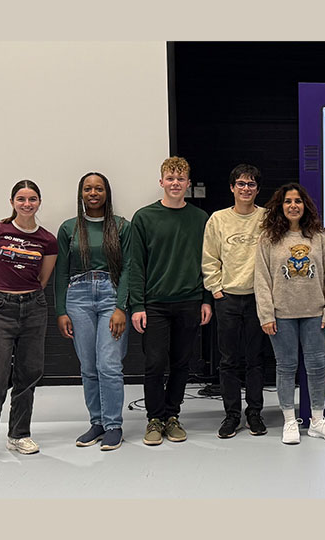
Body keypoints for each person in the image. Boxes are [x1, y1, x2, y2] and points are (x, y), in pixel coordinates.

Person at [0, 180, 58, 467]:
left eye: (32, 199)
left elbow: (42, 279)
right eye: (21, 199)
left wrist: (26, 299)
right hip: (0, 309)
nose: (27, 204)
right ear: (12, 202)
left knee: (28, 375)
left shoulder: (47, 240)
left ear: (39, 202)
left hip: (34, 309)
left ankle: (19, 434)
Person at [128, 157, 212, 446]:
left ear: (188, 183)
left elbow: (208, 262)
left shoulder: (200, 219)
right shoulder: (144, 217)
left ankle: (172, 416)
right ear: (161, 181)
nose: (175, 183)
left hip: (190, 301)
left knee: (181, 363)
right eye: (170, 178)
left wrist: (206, 299)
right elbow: (136, 264)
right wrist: (137, 305)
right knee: (154, 364)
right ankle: (154, 418)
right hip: (155, 304)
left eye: (181, 179)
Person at [255, 183, 325, 445]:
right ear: (280, 206)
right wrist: (266, 314)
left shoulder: (320, 238)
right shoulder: (268, 239)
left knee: (317, 367)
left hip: (315, 313)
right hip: (281, 314)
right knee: (285, 367)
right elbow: (262, 279)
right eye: (288, 201)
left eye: (298, 201)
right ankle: (290, 421)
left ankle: (317, 420)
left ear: (305, 205)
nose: (293, 206)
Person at [55, 172, 132, 451]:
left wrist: (121, 307)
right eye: (88, 189)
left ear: (106, 193)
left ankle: (113, 425)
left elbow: (129, 268)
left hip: (111, 294)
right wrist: (61, 310)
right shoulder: (69, 228)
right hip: (78, 297)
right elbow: (61, 272)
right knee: (88, 367)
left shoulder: (121, 226)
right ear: (81, 193)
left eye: (98, 188)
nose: (93, 193)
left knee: (108, 364)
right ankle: (97, 422)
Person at [202, 164, 268, 439]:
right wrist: (216, 289)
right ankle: (231, 415)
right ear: (232, 188)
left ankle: (254, 413)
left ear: (257, 189)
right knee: (228, 361)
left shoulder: (267, 218)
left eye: (251, 184)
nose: (245, 189)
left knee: (255, 360)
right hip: (227, 298)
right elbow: (209, 257)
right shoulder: (218, 219)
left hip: (257, 299)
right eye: (240, 183)